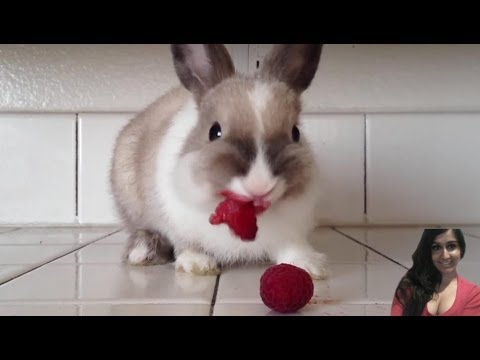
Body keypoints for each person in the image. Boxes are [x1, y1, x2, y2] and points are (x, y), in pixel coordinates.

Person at [391, 228, 480, 316]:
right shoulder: (409, 286)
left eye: (451, 246)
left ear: (461, 249)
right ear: (428, 252)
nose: (445, 256)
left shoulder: (473, 294)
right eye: (436, 247)